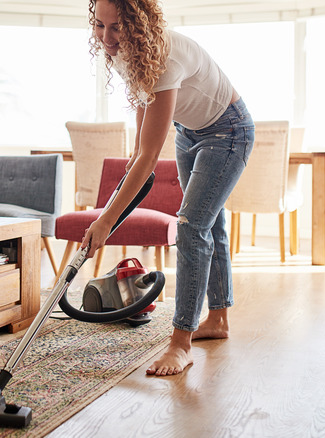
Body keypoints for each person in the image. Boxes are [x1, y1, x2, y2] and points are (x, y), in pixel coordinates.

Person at [82, 0, 255, 376]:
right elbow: (145, 100)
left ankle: (181, 344)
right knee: (212, 223)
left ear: (137, 24)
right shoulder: (128, 50)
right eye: (100, 26)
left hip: (228, 131)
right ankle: (219, 319)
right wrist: (135, 150)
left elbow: (149, 161)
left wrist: (105, 222)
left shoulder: (164, 54)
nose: (107, 39)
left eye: (117, 28)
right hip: (187, 131)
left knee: (191, 227)